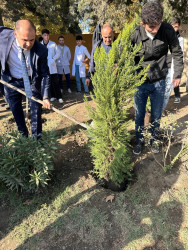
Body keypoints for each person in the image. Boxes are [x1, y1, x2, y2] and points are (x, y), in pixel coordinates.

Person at [132, 1, 184, 155]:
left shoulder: (167, 30)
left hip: (160, 80)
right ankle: (139, 140)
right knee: (139, 114)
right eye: (151, 27)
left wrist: (177, 74)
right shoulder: (135, 34)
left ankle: (154, 139)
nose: (155, 30)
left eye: (158, 25)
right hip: (140, 81)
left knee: (156, 113)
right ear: (143, 23)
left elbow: (177, 52)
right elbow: (125, 57)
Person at [0, 20, 51, 139]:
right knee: (16, 111)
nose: (28, 44)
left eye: (32, 40)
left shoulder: (41, 50)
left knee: (35, 111)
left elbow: (45, 74)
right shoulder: (2, 37)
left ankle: (37, 140)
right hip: (10, 80)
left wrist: (46, 97)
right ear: (15, 34)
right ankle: (24, 138)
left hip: (31, 81)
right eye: (25, 40)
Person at [163, 17, 184, 109]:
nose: (174, 28)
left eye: (176, 26)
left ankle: (176, 96)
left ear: (178, 27)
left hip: (172, 65)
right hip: (163, 65)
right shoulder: (165, 36)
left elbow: (179, 55)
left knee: (168, 88)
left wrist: (177, 72)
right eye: (172, 26)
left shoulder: (180, 39)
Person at [41, 29, 63, 103]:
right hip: (44, 66)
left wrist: (53, 59)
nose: (46, 37)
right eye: (45, 35)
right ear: (42, 36)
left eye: (47, 35)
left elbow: (58, 53)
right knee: (48, 82)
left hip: (52, 66)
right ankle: (52, 96)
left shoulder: (53, 44)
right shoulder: (40, 44)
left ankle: (59, 97)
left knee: (55, 82)